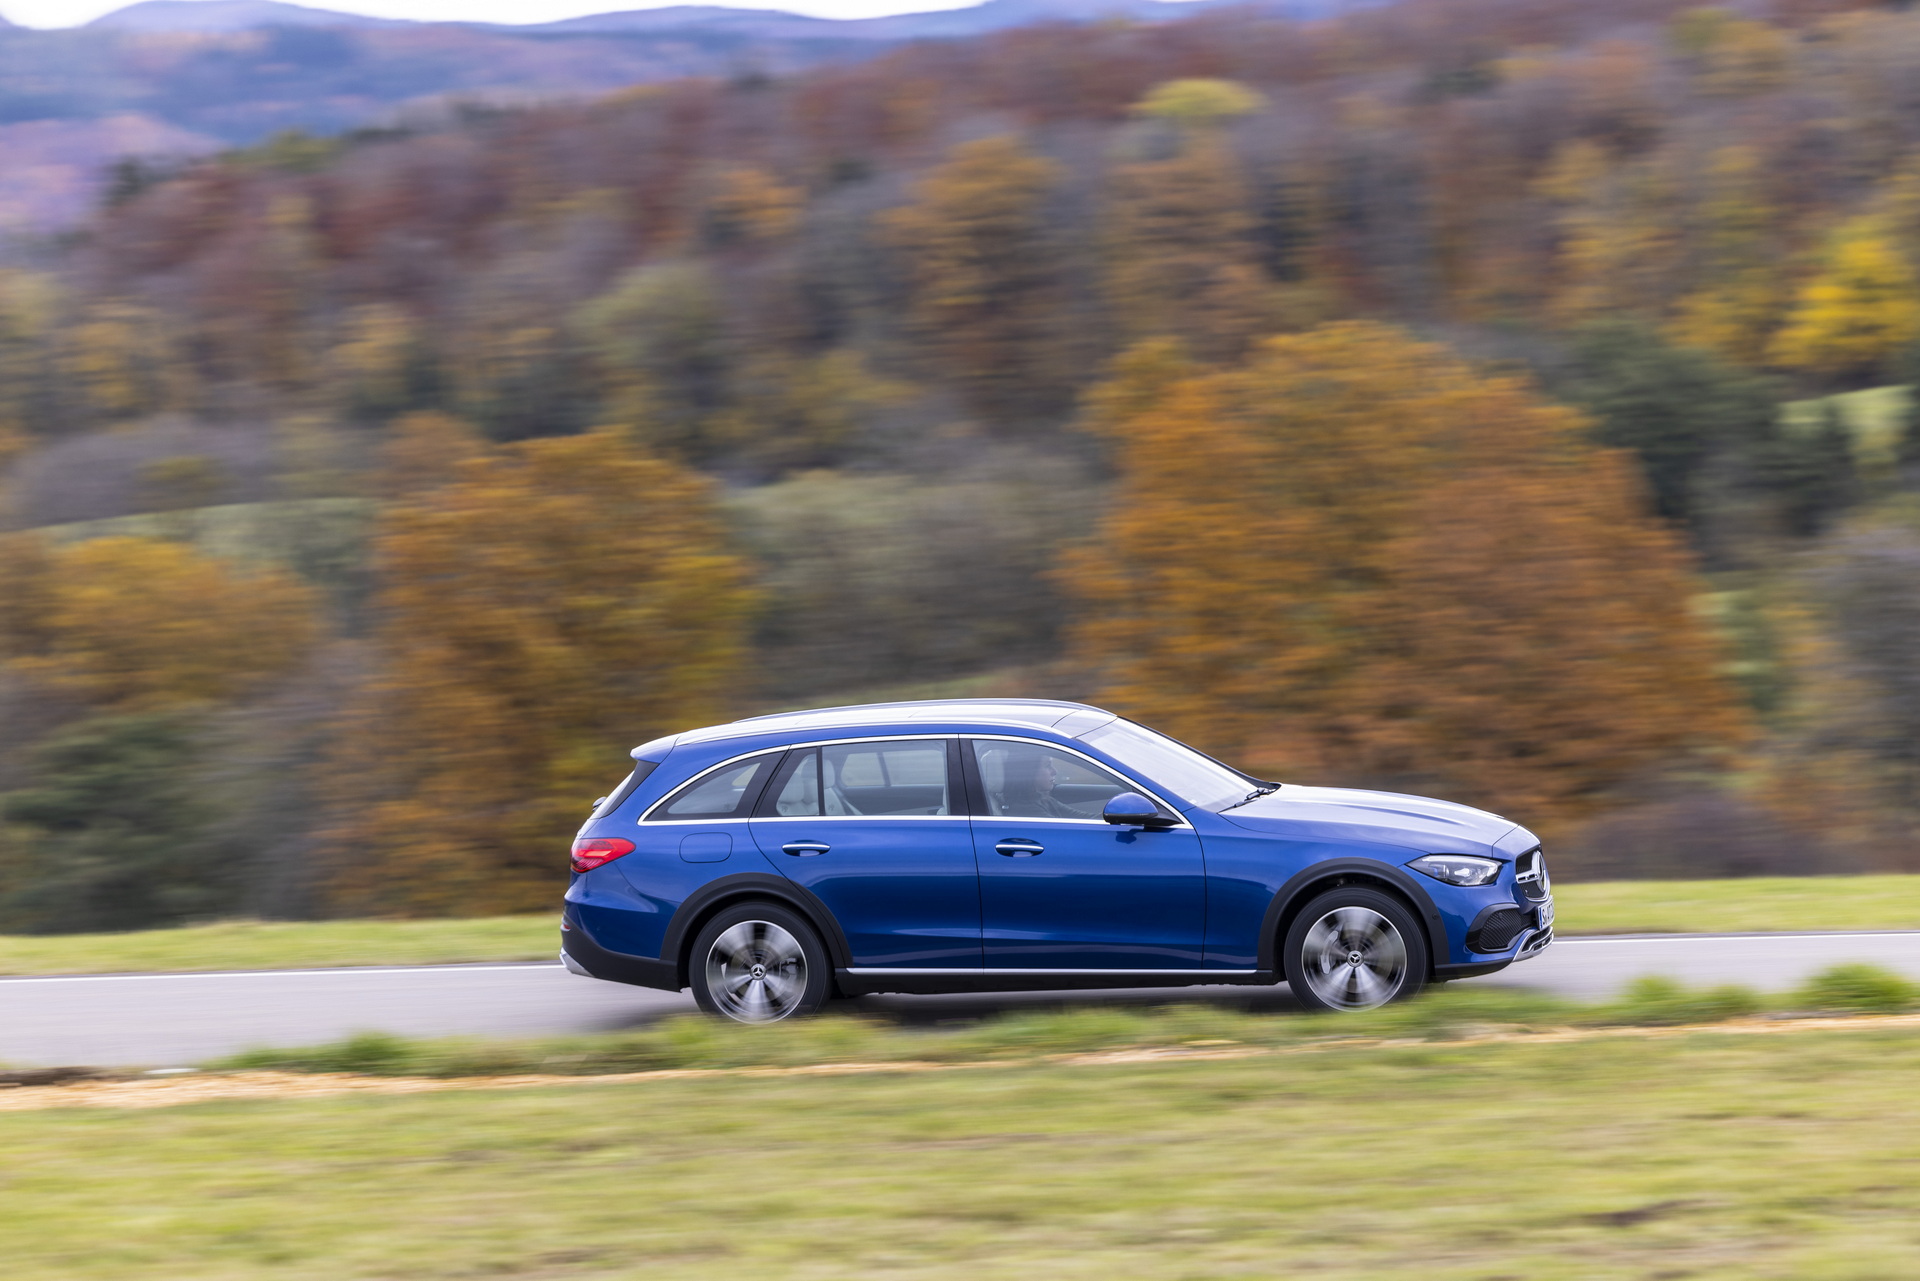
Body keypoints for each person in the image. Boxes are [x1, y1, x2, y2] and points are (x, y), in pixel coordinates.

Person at [998, 748, 1091, 818]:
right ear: (1030, 772)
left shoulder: (1043, 799)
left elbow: (1084, 818)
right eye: (1047, 766)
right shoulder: (1025, 809)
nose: (1054, 771)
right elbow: (1063, 831)